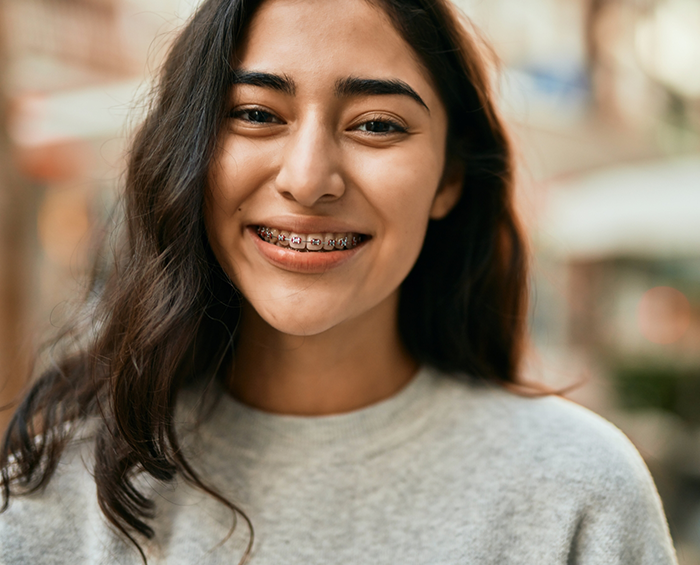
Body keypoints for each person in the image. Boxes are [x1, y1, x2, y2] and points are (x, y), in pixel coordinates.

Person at [0, 0, 679, 563]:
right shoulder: (62, 482)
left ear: (449, 177)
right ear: (191, 151)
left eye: (378, 125)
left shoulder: (578, 494)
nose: (307, 178)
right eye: (257, 114)